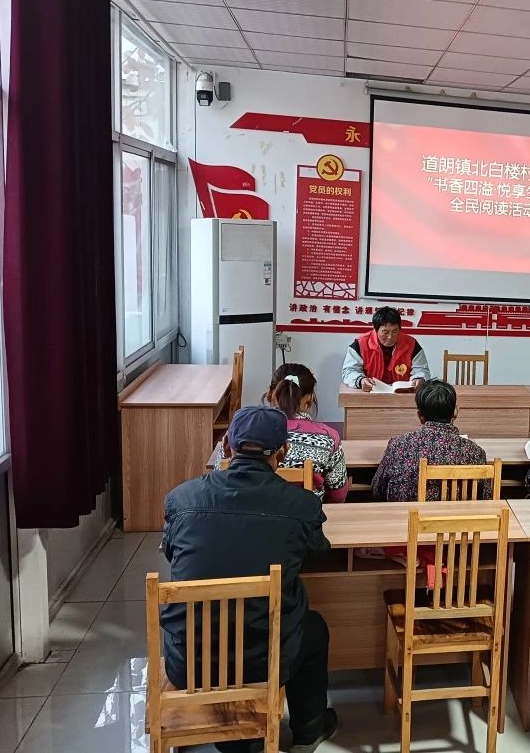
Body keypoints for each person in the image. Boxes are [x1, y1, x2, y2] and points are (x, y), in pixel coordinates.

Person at [161, 407, 337, 753]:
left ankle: (237, 736)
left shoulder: (181, 498)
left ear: (227, 445)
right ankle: (308, 732)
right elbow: (318, 552)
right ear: (283, 452)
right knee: (313, 628)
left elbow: (172, 554)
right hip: (264, 662)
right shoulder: (301, 505)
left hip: (189, 663)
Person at [372, 380, 487, 502]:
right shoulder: (475, 452)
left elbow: (377, 490)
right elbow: (486, 497)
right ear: (455, 412)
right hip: (456, 514)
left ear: (420, 416)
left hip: (405, 514)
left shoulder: (397, 445)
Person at [265, 363, 348, 503]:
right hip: (306, 514)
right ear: (309, 399)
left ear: (269, 393)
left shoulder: (244, 432)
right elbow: (338, 495)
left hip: (251, 514)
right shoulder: (328, 437)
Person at [341, 306, 430, 391]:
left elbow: (422, 370)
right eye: (385, 332)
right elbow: (349, 371)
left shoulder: (412, 344)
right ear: (376, 330)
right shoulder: (360, 344)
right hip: (369, 394)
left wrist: (419, 379)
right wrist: (361, 380)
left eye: (395, 331)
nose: (390, 337)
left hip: (402, 395)